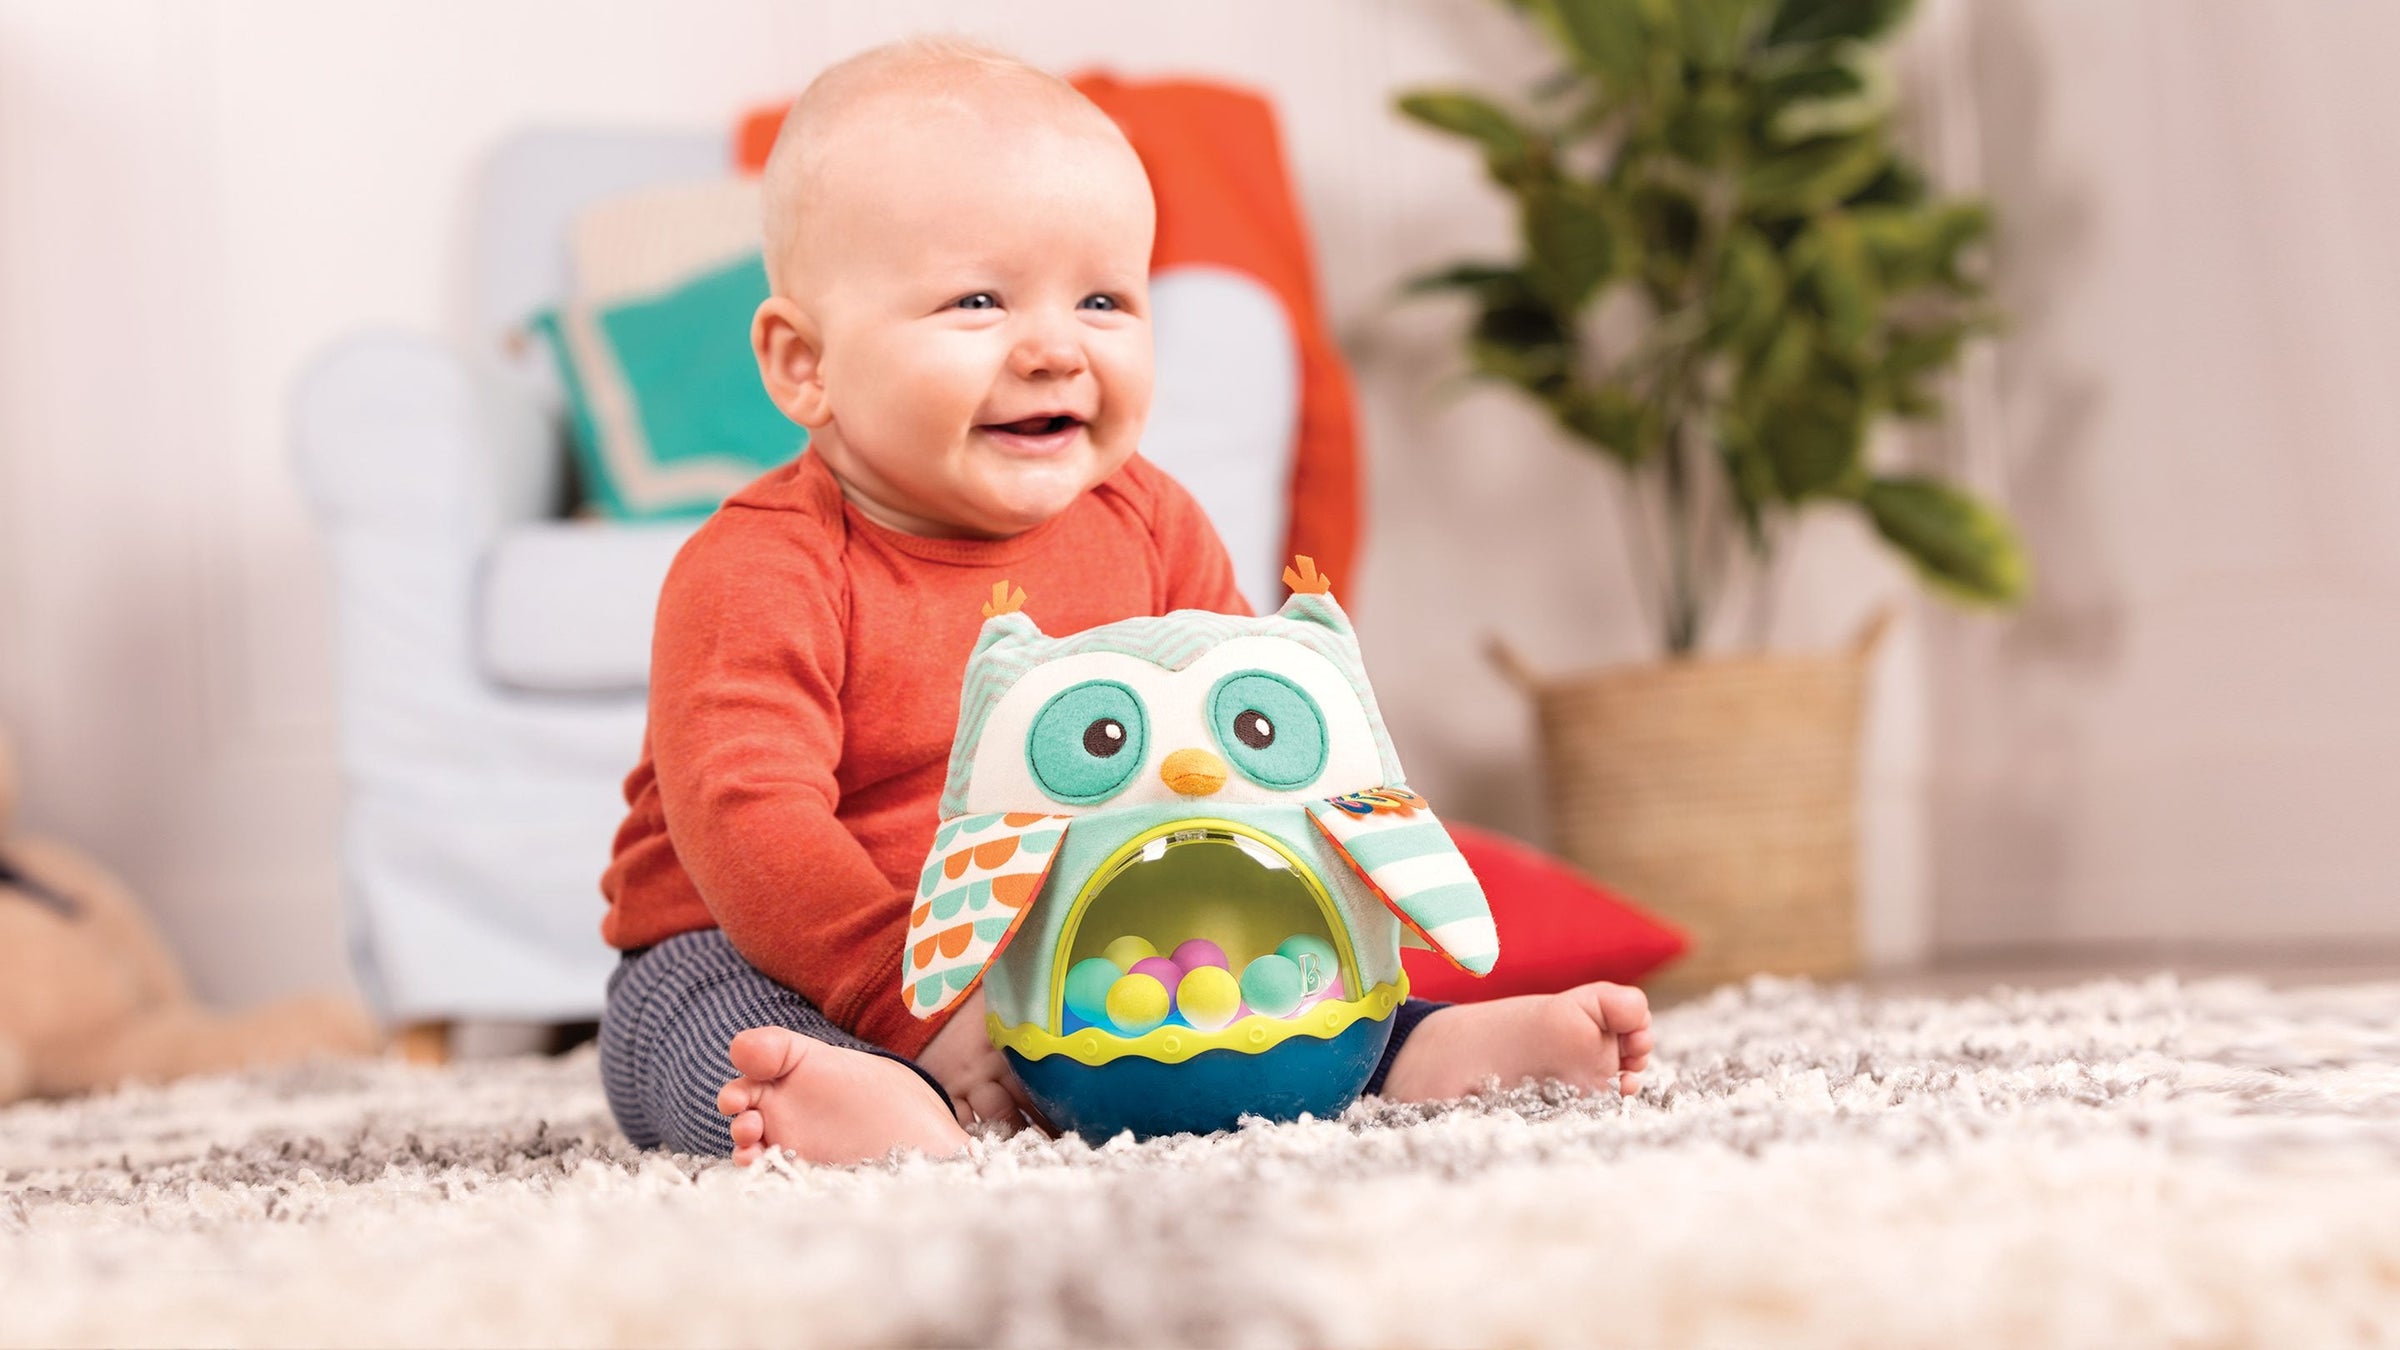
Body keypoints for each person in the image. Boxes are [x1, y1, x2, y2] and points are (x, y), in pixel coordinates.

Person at [596, 37, 1655, 1166]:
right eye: (977, 301)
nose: (1055, 347)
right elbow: (753, 829)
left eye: (1103, 298)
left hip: (1067, 934)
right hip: (783, 946)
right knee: (710, 1030)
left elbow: (1258, 737)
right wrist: (911, 1010)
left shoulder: (1150, 521)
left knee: (1244, 998)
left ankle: (1404, 1049)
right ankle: (836, 1102)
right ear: (804, 364)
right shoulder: (762, 568)